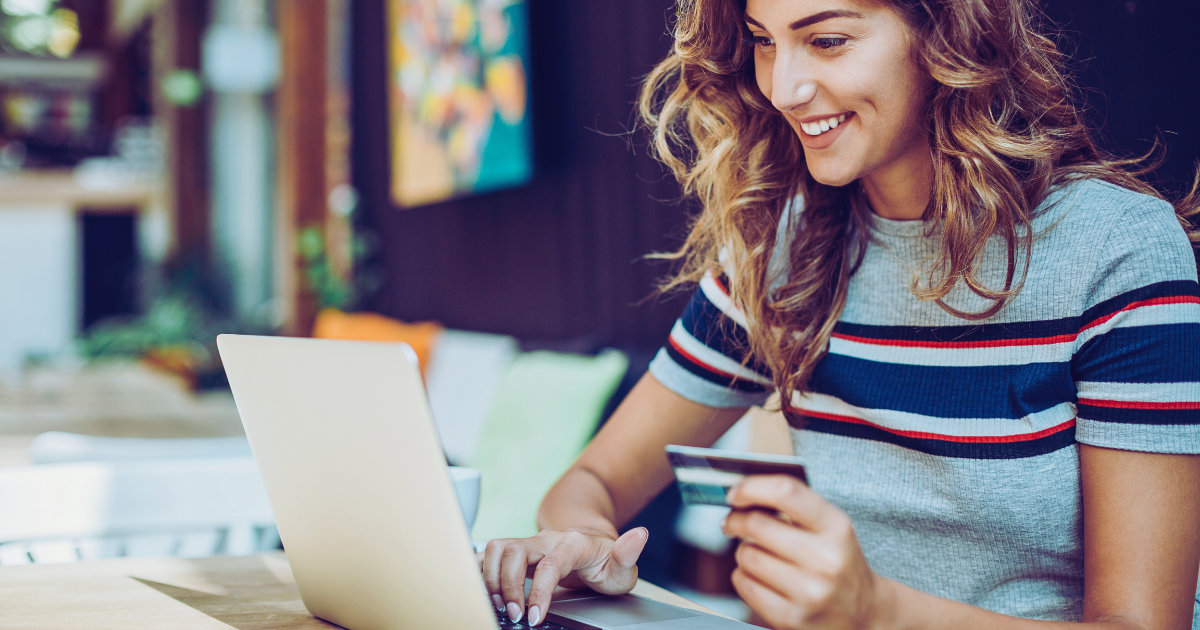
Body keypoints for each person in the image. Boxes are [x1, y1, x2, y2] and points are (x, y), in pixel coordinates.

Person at [478, 0, 1200, 627]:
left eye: (827, 40)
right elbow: (590, 484)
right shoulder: (779, 254)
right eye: (765, 40)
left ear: (947, 34)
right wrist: (583, 540)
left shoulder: (1116, 251)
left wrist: (878, 613)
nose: (785, 88)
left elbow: (1142, 624)